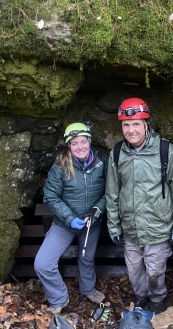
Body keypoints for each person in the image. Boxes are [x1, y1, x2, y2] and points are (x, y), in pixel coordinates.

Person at [106, 97, 173, 315]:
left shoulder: (165, 151)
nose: (131, 130)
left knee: (154, 272)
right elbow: (112, 194)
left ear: (146, 124)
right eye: (126, 125)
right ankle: (141, 297)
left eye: (136, 124)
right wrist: (114, 227)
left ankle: (157, 298)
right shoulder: (116, 153)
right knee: (134, 271)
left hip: (158, 225)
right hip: (130, 228)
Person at [34, 122, 108, 315]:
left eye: (83, 141)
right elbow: (50, 196)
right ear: (68, 145)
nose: (80, 147)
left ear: (90, 141)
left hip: (92, 223)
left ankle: (88, 289)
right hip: (65, 224)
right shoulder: (60, 166)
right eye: (74, 143)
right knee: (42, 263)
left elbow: (112, 191)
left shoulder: (102, 163)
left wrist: (97, 209)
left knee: (86, 258)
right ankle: (59, 298)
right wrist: (69, 218)